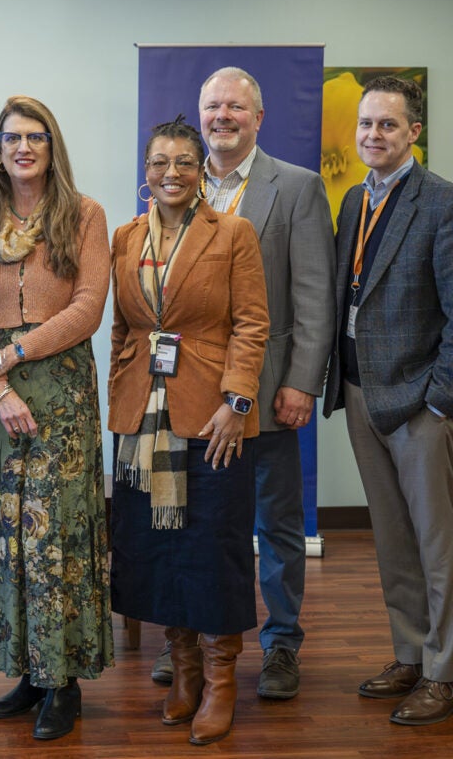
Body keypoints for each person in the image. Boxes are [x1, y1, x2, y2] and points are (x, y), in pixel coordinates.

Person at [148, 67, 335, 700]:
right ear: (199, 116)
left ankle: (281, 644)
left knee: (276, 523)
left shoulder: (298, 189)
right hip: (190, 395)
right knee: (197, 523)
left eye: (235, 107)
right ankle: (192, 644)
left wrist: (303, 382)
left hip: (270, 388)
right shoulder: (176, 187)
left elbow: (313, 293)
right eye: (211, 107)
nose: (222, 116)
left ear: (258, 117)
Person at [0, 95, 114, 741]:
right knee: (3, 534)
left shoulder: (84, 216)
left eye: (36, 137)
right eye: (12, 137)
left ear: (52, 147)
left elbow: (89, 306)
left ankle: (62, 682)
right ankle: (25, 666)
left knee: (54, 536)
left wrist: (14, 353)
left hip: (60, 388)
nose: (23, 148)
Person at [108, 118, 269, 745]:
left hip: (213, 417)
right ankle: (184, 671)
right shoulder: (124, 238)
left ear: (200, 169)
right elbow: (121, 328)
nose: (170, 173)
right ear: (144, 172)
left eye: (182, 162)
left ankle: (222, 680)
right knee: (155, 549)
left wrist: (237, 399)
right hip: (140, 421)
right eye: (158, 163)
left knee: (211, 548)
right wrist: (123, 388)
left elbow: (253, 323)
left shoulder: (232, 233)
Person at [322, 75, 453, 726]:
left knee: (438, 542)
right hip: (359, 389)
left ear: (414, 133)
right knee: (393, 539)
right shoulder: (352, 200)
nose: (373, 135)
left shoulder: (441, 203)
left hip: (419, 402)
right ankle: (409, 653)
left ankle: (444, 670)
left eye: (387, 126)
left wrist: (440, 401)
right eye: (366, 124)